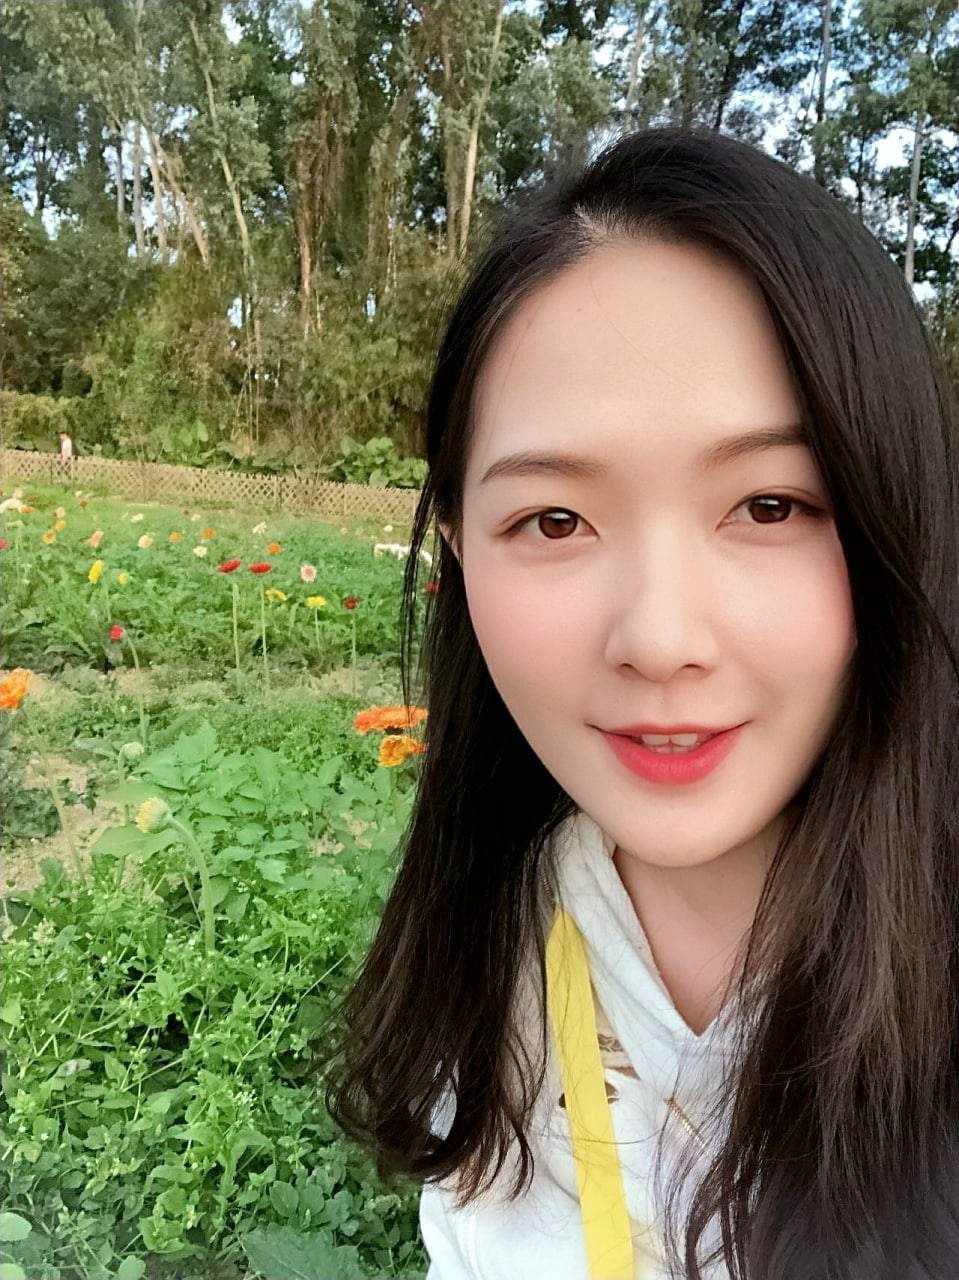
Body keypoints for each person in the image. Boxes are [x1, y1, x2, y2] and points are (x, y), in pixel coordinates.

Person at [320, 127, 959, 1278]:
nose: (659, 637)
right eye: (553, 520)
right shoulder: (494, 945)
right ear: (459, 546)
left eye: (769, 504)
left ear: (894, 513)